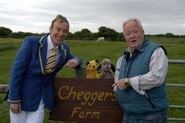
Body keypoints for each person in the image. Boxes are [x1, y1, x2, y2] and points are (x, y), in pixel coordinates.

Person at [7, 14, 82, 123]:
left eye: (65, 31)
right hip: (22, 96)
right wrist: (14, 100)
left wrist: (76, 61)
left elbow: (76, 58)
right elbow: (16, 71)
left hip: (41, 98)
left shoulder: (64, 49)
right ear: (51, 29)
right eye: (58, 29)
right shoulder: (31, 43)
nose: (61, 34)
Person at [112, 18, 168, 123]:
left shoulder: (156, 51)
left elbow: (157, 77)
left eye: (135, 32)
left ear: (142, 32)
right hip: (128, 113)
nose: (132, 36)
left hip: (150, 116)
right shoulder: (123, 58)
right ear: (125, 37)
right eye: (128, 33)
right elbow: (118, 78)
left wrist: (129, 82)